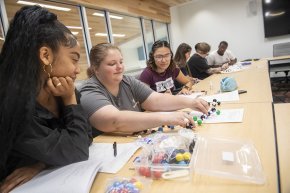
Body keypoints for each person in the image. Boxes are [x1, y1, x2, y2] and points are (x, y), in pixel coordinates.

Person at [0, 6, 92, 193]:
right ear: (45, 55)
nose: (77, 69)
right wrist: (70, 101)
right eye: (74, 59)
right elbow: (78, 149)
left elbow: (86, 135)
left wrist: (41, 163)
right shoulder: (12, 103)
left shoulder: (64, 91)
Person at [79, 43, 209, 135]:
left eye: (121, 62)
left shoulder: (127, 80)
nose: (120, 67)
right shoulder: (88, 90)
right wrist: (167, 117)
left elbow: (156, 100)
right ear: (96, 68)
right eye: (112, 64)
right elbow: (114, 120)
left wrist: (190, 102)